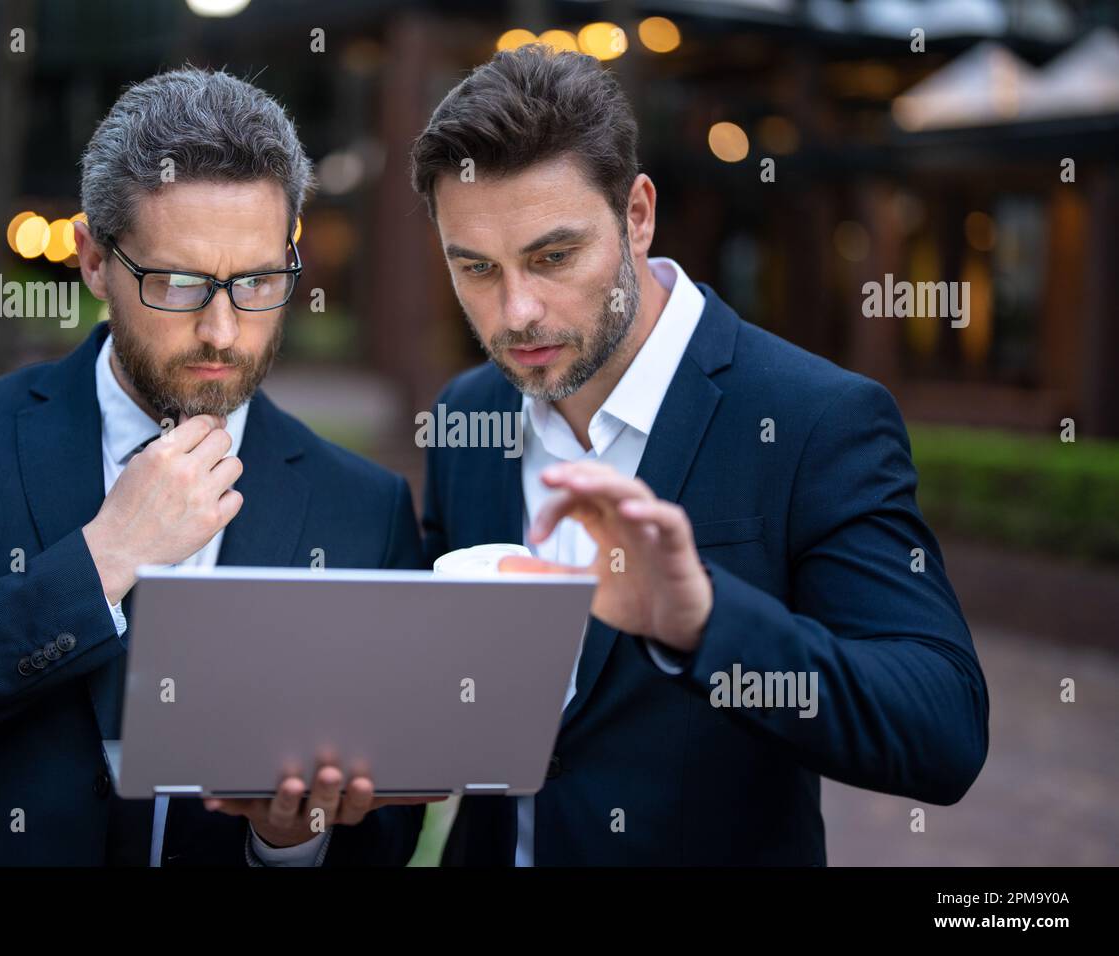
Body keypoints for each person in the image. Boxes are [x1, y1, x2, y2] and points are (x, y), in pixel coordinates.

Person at [0, 67, 426, 866]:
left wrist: (287, 838)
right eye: (178, 283)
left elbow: (385, 833)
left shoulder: (366, 508)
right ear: (94, 260)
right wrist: (103, 560)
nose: (222, 331)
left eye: (256, 282)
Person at [412, 45, 990, 865]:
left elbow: (943, 728)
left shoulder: (814, 419)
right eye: (474, 268)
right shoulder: (467, 416)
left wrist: (704, 624)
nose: (517, 311)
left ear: (637, 214)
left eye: (553, 257)